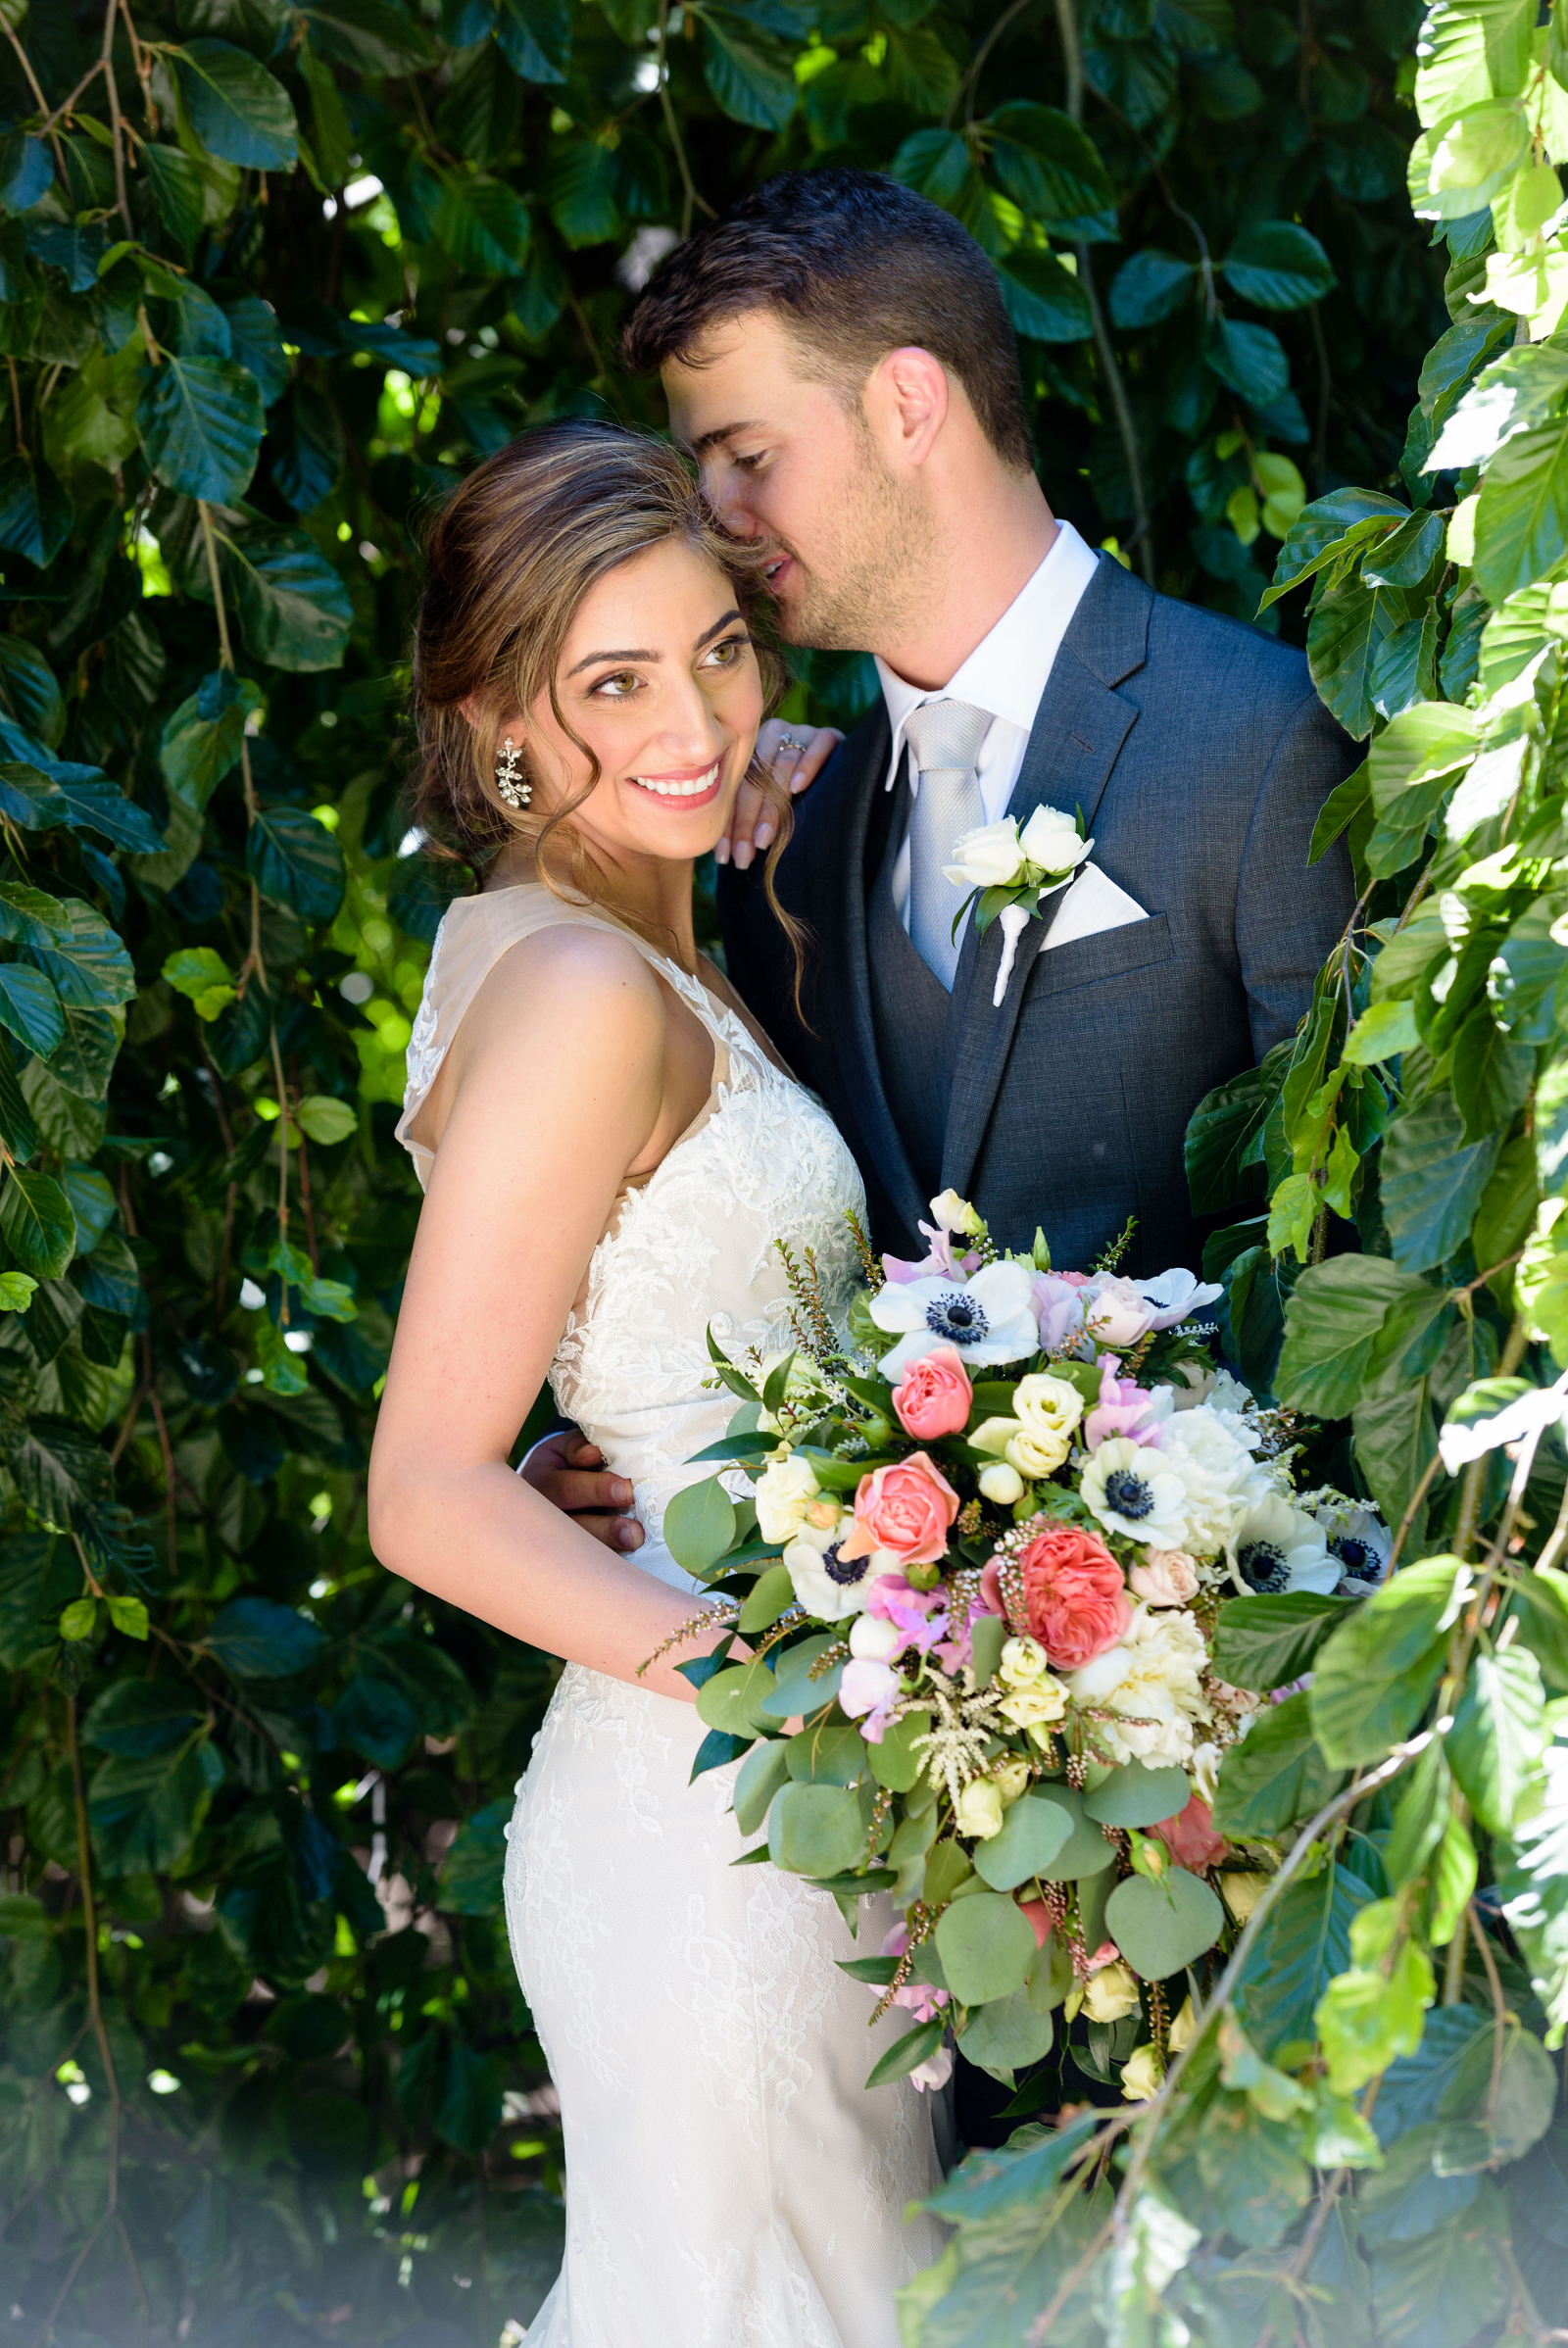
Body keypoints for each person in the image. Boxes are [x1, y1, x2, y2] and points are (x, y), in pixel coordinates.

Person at [537, 163, 1356, 1556]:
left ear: (908, 404)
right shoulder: (783, 835)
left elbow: (1345, 1268)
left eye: (748, 454)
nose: (719, 519)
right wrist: (605, 1438)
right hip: (899, 1695)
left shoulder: (1266, 738)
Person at [367, 418, 943, 2348]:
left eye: (717, 647)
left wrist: (599, 1438)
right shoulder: (587, 994)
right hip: (720, 1819)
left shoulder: (603, 946)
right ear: (496, 722)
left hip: (782, 1805)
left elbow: (605, 1327)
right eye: (612, 681)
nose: (691, 716)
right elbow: (424, 1490)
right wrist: (775, 1690)